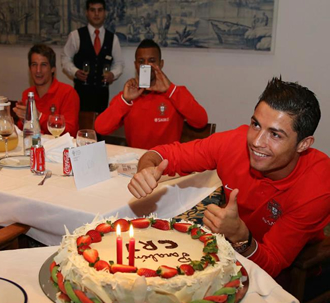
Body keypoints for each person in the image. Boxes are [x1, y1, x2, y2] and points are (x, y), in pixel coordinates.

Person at [128, 77, 330, 278]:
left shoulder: (318, 187)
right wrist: (146, 169)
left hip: (292, 270)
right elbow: (164, 154)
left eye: (275, 135)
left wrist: (241, 237)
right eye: (256, 125)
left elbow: (273, 264)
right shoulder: (235, 142)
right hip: (230, 244)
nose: (257, 142)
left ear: (304, 144)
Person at [95, 39, 208, 150]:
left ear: (161, 63)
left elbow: (201, 121)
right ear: (136, 65)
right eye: (141, 61)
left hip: (167, 162)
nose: (146, 65)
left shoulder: (175, 93)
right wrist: (125, 100)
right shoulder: (128, 96)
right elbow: (100, 128)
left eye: (152, 60)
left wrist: (170, 90)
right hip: (137, 162)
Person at [61, 0, 124, 113]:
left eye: (99, 10)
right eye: (92, 10)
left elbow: (119, 63)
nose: (96, 14)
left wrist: (112, 74)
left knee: (100, 128)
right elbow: (65, 58)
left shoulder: (112, 39)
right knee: (81, 128)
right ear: (87, 12)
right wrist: (75, 71)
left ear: (105, 13)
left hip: (102, 95)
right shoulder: (75, 36)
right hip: (81, 94)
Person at [13, 44, 79, 137]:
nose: (38, 70)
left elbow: (70, 132)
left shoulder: (68, 93)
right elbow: (24, 134)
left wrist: (39, 117)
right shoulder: (27, 94)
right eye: (34, 65)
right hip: (35, 148)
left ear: (53, 69)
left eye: (43, 65)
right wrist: (24, 120)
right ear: (29, 69)